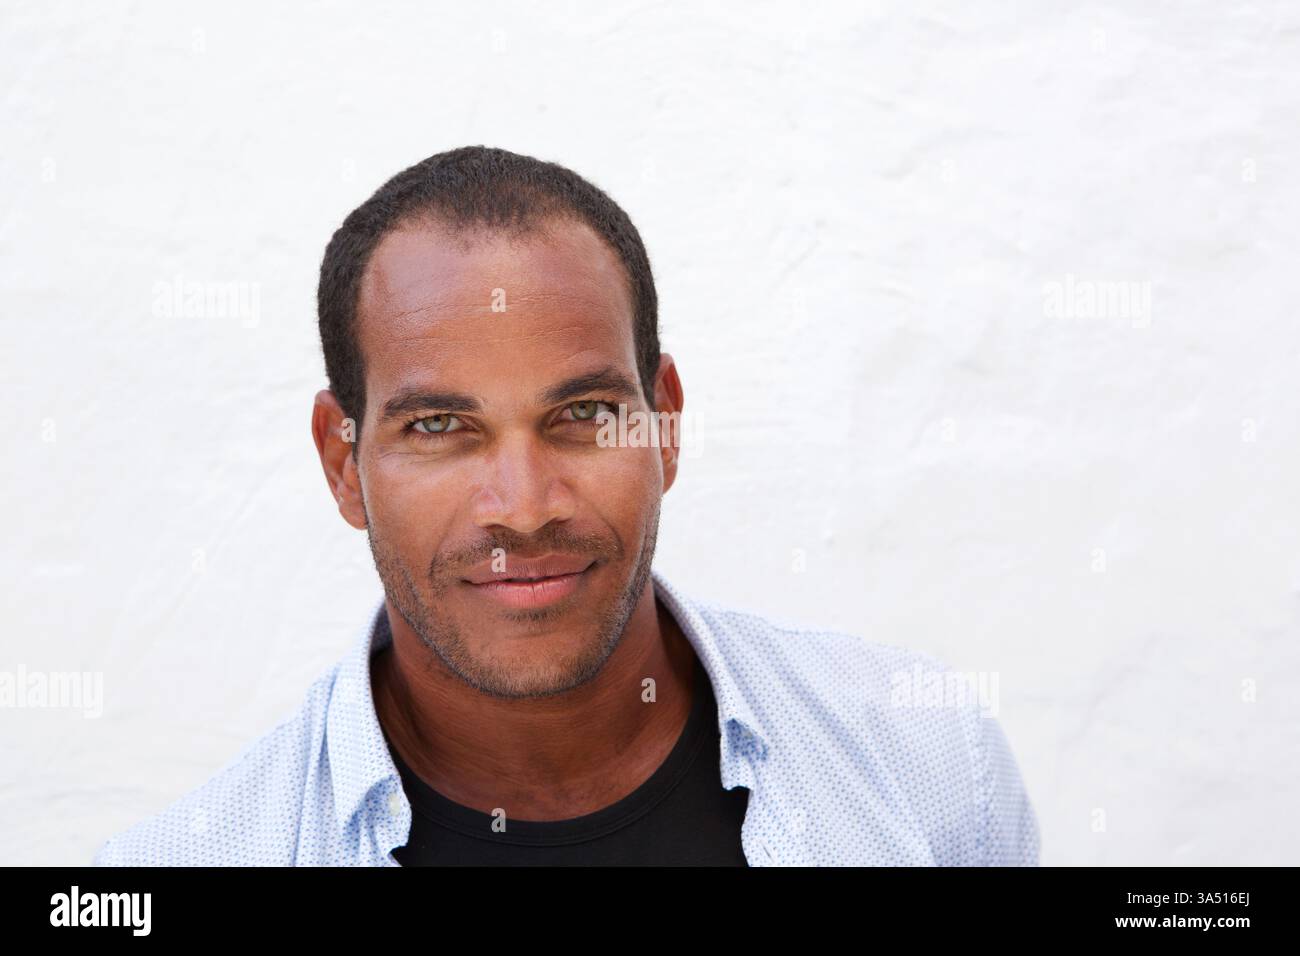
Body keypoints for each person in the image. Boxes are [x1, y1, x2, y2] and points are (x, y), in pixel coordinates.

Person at [93, 146, 1039, 866]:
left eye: (583, 415)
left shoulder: (927, 764)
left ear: (664, 424)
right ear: (342, 463)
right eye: (437, 427)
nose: (524, 506)